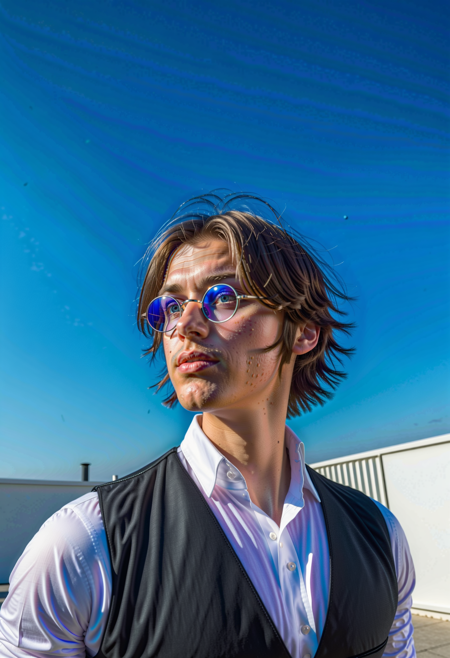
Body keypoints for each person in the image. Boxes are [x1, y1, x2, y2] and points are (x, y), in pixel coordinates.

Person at [0, 192, 415, 658]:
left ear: (303, 331)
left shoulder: (382, 537)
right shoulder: (80, 548)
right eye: (170, 308)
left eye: (223, 297)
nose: (185, 325)